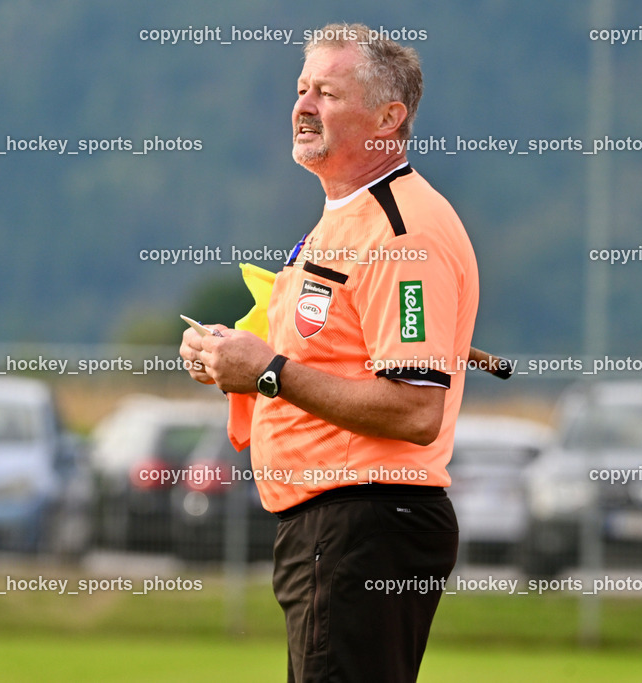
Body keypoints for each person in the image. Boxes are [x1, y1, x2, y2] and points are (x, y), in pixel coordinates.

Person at [180, 22, 479, 682]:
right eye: (301, 88)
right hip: (337, 526)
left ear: (387, 117)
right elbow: (313, 358)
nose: (304, 106)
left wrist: (266, 370)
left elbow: (415, 407)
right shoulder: (343, 218)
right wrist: (232, 362)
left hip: (362, 523)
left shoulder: (404, 233)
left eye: (328, 93)